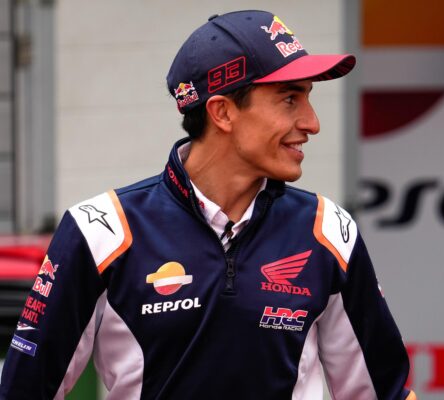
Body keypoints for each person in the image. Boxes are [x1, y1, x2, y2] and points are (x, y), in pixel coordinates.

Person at [0, 10, 416, 400]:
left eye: (307, 98)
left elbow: (386, 394)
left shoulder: (328, 230)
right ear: (222, 112)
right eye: (290, 99)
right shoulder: (100, 231)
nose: (312, 123)